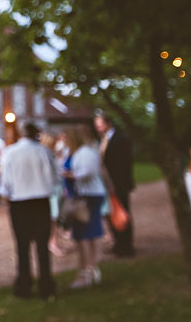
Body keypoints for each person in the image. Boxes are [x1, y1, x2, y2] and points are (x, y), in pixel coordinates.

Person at [0, 123, 57, 300]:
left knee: (22, 247)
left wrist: (7, 196)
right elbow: (54, 179)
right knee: (42, 247)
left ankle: (24, 286)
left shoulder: (10, 152)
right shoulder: (44, 152)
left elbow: (4, 184)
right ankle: (46, 286)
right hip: (40, 202)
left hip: (20, 204)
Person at [63, 124, 107, 288]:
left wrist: (69, 174)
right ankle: (87, 268)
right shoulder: (76, 152)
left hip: (88, 196)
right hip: (80, 195)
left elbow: (87, 173)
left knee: (88, 232)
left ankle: (89, 269)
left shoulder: (86, 153)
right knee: (81, 234)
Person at [94, 114, 136, 257]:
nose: (97, 127)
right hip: (109, 184)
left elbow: (124, 164)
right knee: (113, 213)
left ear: (108, 123)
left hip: (119, 183)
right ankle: (118, 243)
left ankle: (126, 247)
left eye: (99, 124)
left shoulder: (120, 138)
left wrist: (116, 184)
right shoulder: (104, 139)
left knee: (123, 212)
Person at [39, 132, 66, 256]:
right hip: (52, 190)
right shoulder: (46, 156)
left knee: (55, 217)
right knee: (53, 218)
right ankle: (53, 242)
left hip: (56, 188)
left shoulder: (51, 155)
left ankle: (54, 241)